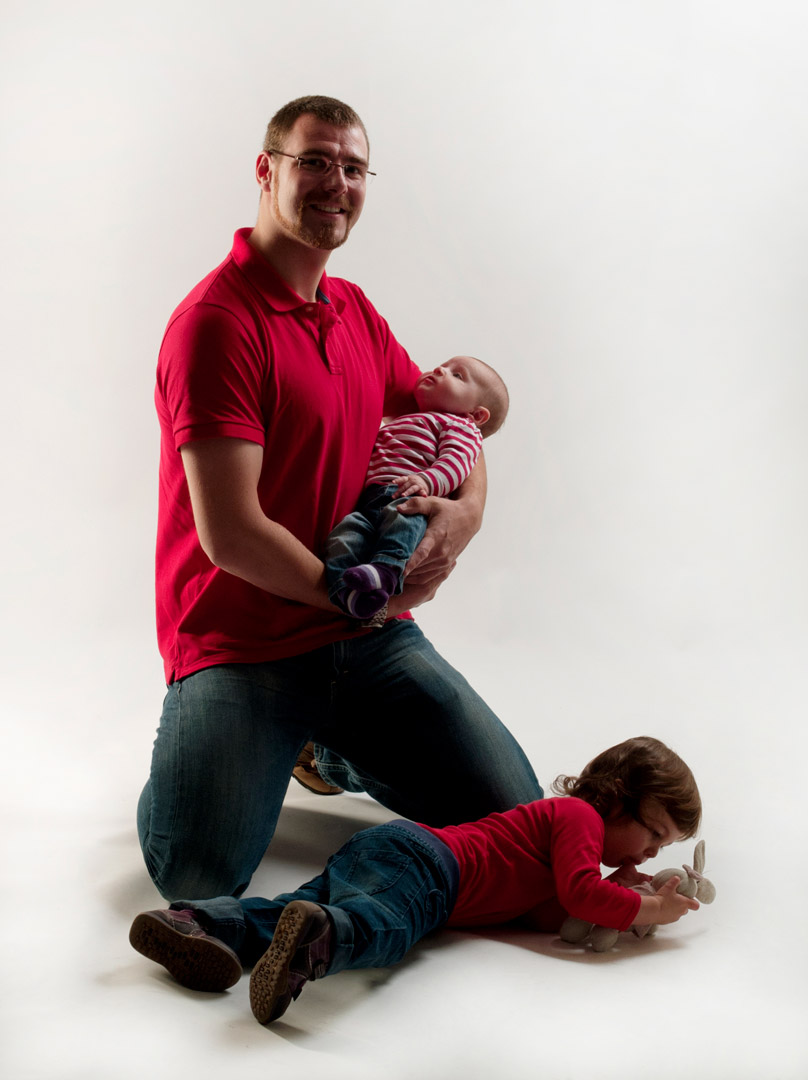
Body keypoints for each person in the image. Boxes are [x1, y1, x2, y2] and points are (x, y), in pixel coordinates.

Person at [138, 94, 542, 903]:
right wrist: (354, 595)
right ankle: (248, 740)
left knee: (520, 826)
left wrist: (465, 516)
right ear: (266, 170)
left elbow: (456, 423)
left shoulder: (354, 313)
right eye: (315, 161)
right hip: (241, 645)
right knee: (197, 876)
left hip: (368, 639)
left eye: (354, 168)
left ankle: (327, 751)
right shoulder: (217, 324)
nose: (338, 182)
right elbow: (232, 534)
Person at [129, 736, 703, 1026]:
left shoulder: (570, 837)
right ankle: (323, 940)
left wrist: (622, 891)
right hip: (429, 871)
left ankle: (200, 923)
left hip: (393, 851)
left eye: (664, 848)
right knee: (386, 927)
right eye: (654, 834)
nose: (653, 852)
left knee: (293, 907)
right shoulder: (579, 817)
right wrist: (650, 910)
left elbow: (545, 912)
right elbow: (580, 894)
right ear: (616, 800)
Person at [325, 354, 508, 621]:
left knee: (403, 522)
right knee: (346, 534)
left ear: (476, 414)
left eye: (457, 375)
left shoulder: (460, 426)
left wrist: (427, 481)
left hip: (410, 496)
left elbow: (456, 463)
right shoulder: (409, 419)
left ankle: (386, 572)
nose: (440, 369)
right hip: (371, 500)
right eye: (444, 365)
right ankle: (351, 593)